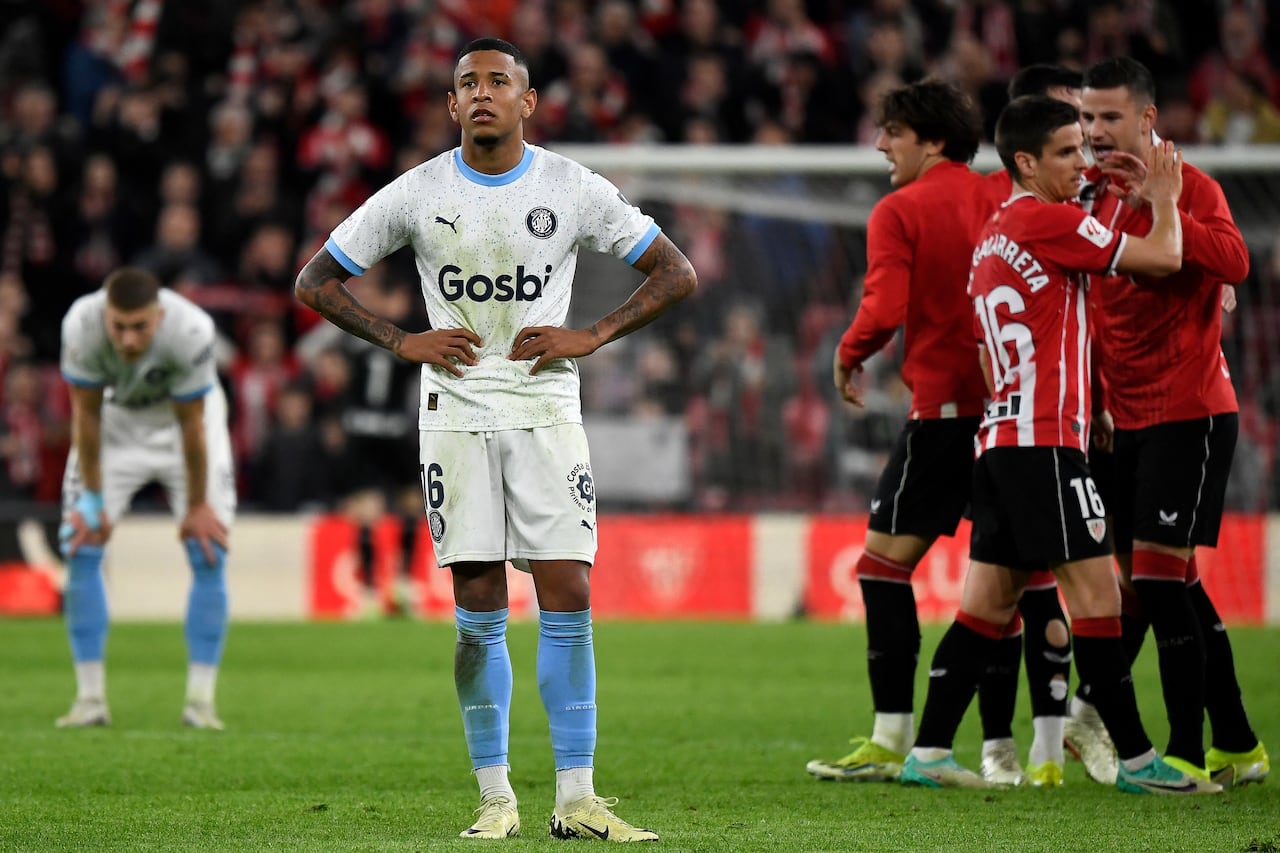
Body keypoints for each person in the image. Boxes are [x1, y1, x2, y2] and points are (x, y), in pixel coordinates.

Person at [293, 37, 696, 842]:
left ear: (528, 100)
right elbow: (314, 281)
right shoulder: (416, 193)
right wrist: (400, 339)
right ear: (451, 106)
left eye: (498, 82)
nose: (482, 93)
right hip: (456, 413)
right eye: (467, 83)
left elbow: (676, 272)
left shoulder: (571, 187)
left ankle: (578, 796)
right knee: (478, 604)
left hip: (547, 411)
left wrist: (594, 332)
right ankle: (496, 798)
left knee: (569, 594)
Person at [898, 95, 1219, 795]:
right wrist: (1164, 199)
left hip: (1001, 441)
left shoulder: (994, 236)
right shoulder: (1050, 221)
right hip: (1045, 446)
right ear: (1025, 162)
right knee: (1102, 601)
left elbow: (989, 354)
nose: (1084, 162)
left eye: (1084, 148)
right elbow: (1164, 257)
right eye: (1068, 152)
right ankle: (1137, 761)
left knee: (985, 607)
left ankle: (926, 751)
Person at [806, 78, 1024, 785]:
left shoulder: (899, 209)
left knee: (881, 567)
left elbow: (885, 304)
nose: (879, 146)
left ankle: (893, 736)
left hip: (945, 416)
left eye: (891, 132)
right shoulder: (1004, 196)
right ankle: (1013, 749)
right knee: (1011, 584)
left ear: (931, 139)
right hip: (1015, 414)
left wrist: (849, 352)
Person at [1072, 56, 1269, 788]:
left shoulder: (1192, 187)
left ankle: (1186, 749)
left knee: (1157, 581)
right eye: (1087, 117)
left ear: (1147, 119)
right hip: (1124, 421)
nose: (1095, 132)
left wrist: (1167, 207)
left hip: (1190, 411)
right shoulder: (1090, 197)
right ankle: (1240, 742)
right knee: (1170, 582)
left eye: (1110, 117)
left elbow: (1236, 261)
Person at [56, 266, 234, 730]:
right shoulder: (80, 324)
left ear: (158, 315)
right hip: (114, 426)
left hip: (185, 427)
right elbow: (86, 417)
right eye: (119, 326)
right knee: (80, 543)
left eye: (140, 327)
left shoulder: (191, 328)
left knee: (208, 548)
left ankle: (200, 703)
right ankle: (89, 700)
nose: (129, 338)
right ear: (105, 314)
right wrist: (92, 499)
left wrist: (197, 507)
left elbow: (193, 425)